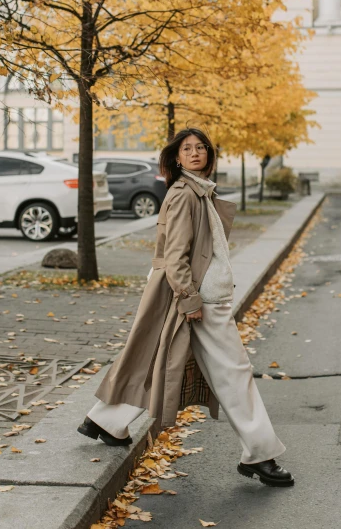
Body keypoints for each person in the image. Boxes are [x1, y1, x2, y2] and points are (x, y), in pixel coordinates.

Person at [78, 128, 294, 487]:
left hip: (200, 297)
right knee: (234, 374)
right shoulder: (184, 194)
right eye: (187, 149)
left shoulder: (199, 191)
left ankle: (105, 420)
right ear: (176, 158)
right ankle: (260, 453)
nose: (195, 153)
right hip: (201, 301)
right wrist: (190, 300)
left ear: (209, 154)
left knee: (156, 359)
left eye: (201, 148)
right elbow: (175, 255)